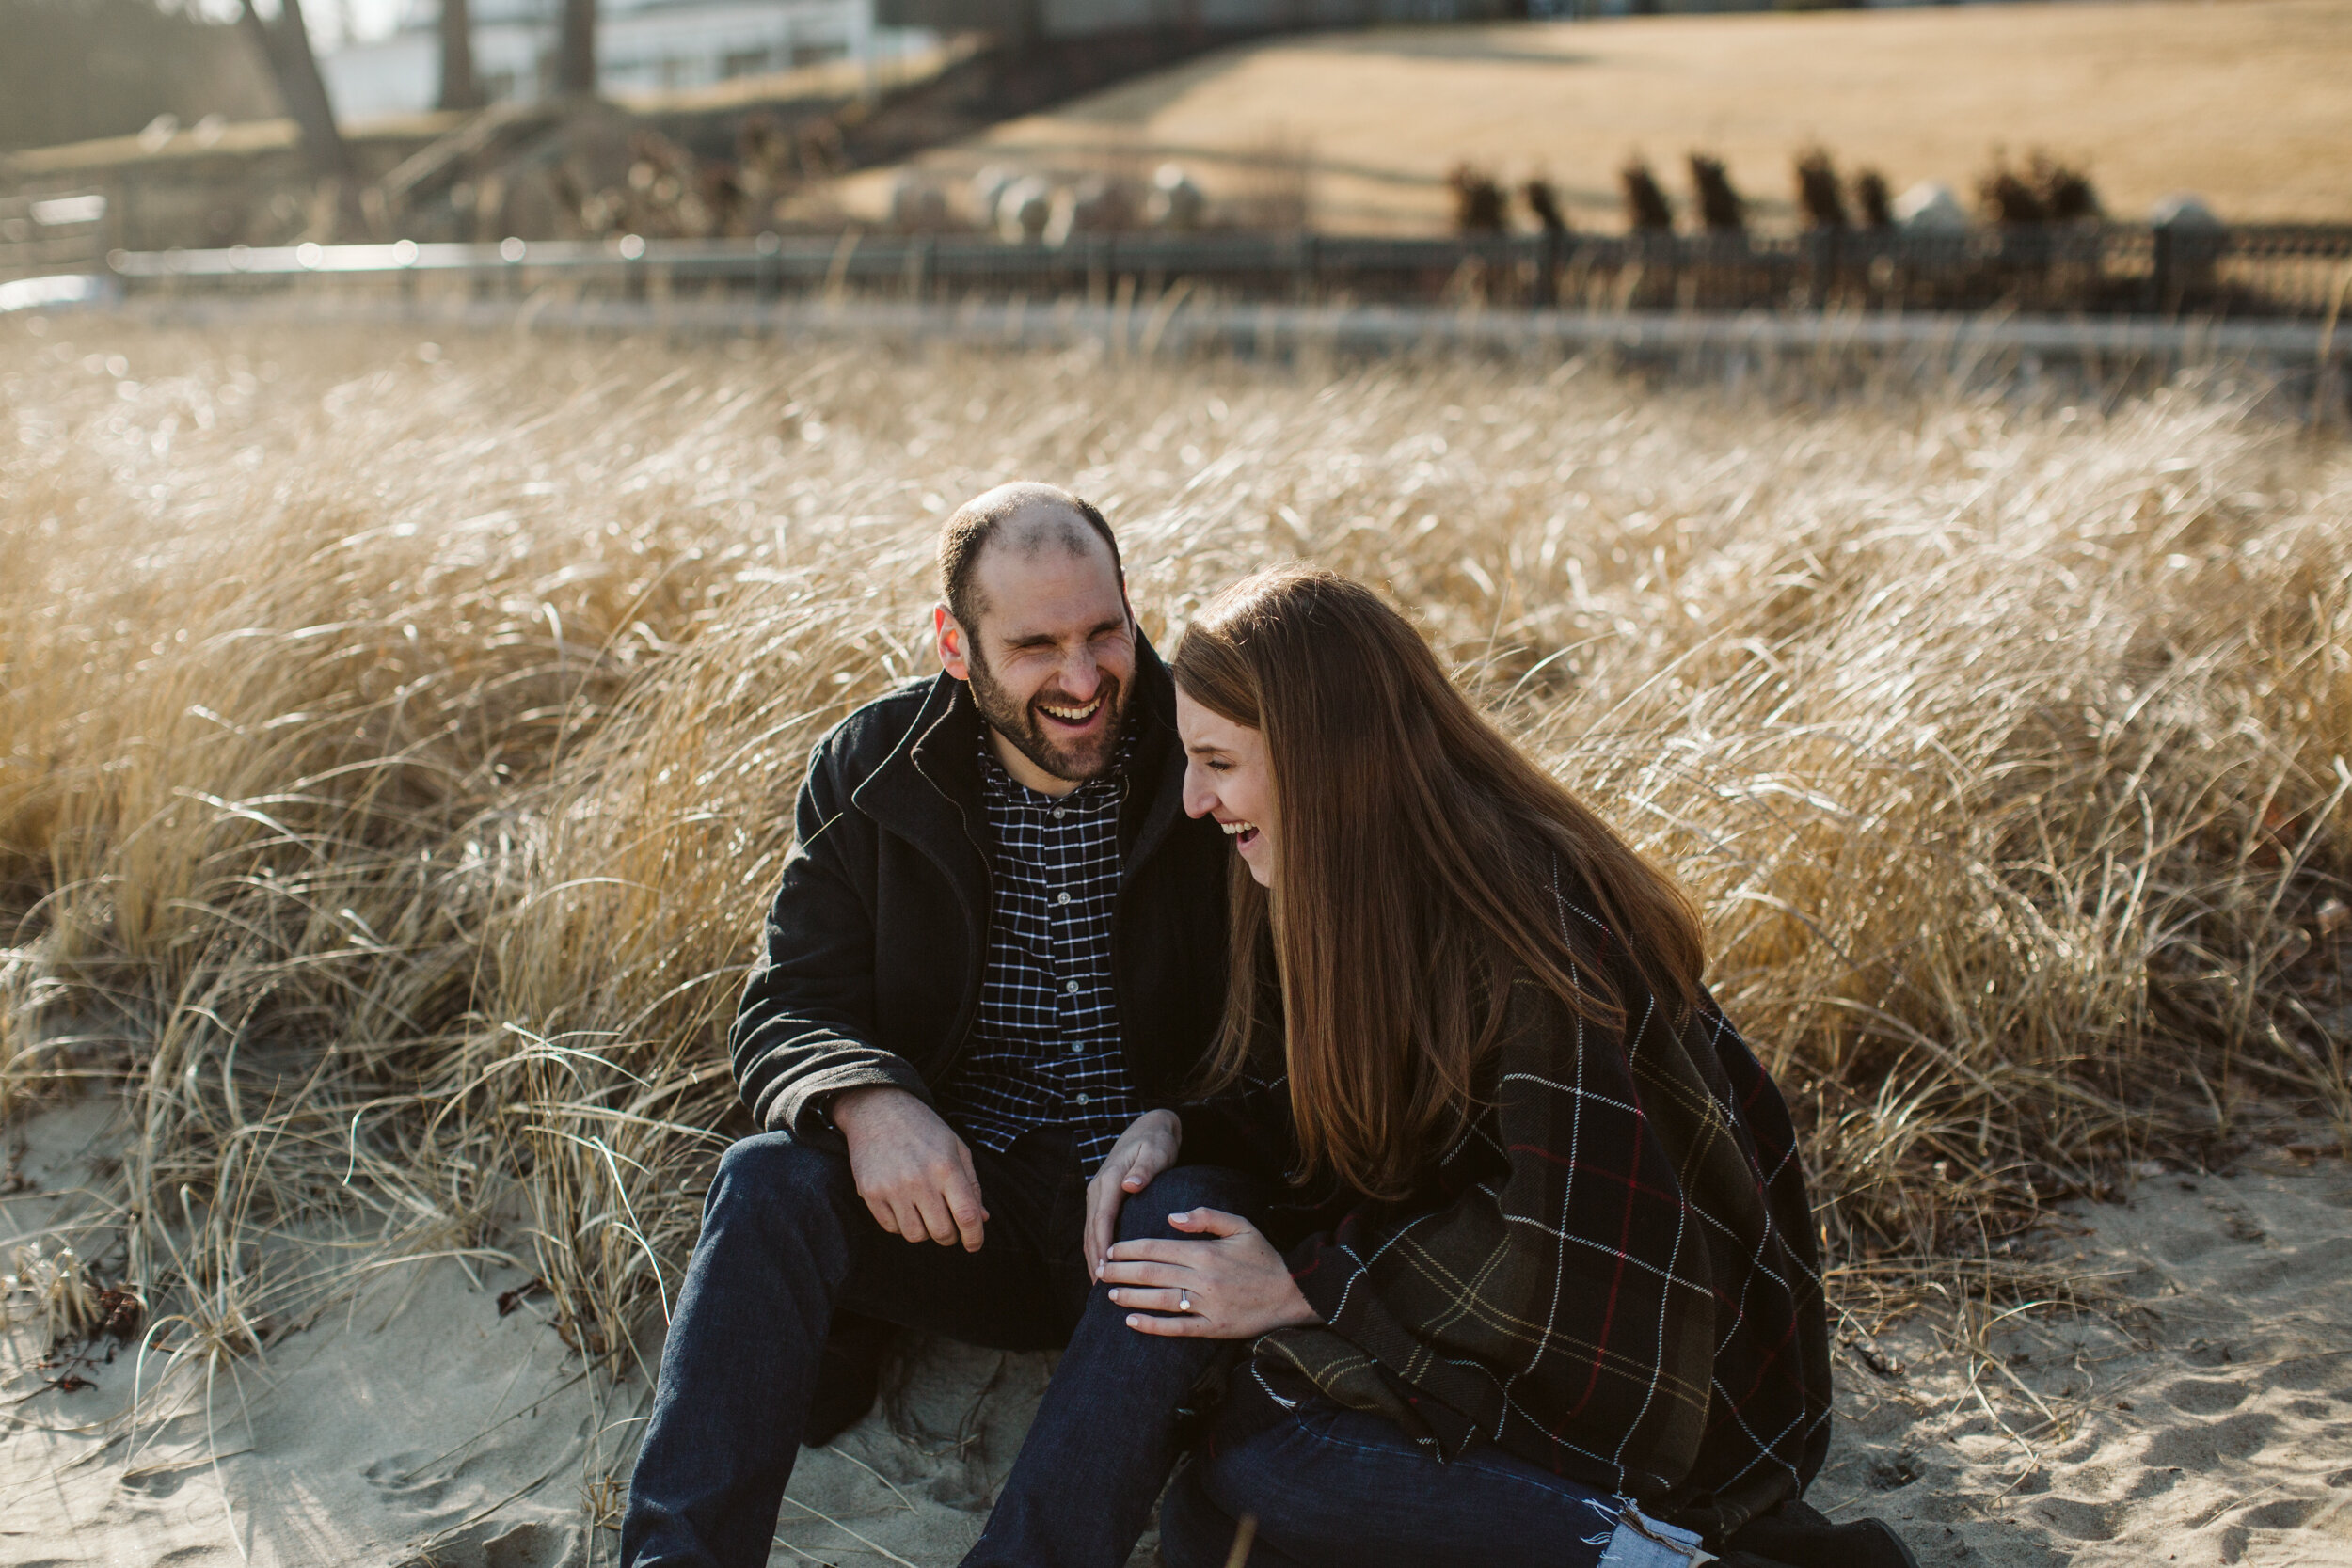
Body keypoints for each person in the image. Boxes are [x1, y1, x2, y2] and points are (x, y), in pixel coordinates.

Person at [1077, 563, 1852, 1568]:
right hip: (1504, 1306)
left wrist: (1310, 1287)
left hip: (1660, 1356)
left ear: (1321, 756)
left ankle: (1652, 1557)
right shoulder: (1345, 876)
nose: (1192, 799)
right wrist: (1172, 1121)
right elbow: (1302, 1099)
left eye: (1218, 761)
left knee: (1267, 1464)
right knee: (1218, 1516)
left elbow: (1563, 1239)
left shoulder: (1522, 918)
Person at [619, 483, 1250, 1568]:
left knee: (1183, 1211)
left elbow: (1292, 1018)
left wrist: (1180, 1123)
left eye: (1106, 631)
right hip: (966, 1208)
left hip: (1152, 1207)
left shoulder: (1204, 752)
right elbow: (789, 995)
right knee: (766, 1179)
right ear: (956, 644)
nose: (1084, 677)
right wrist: (869, 1098)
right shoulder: (872, 765)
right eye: (1037, 644)